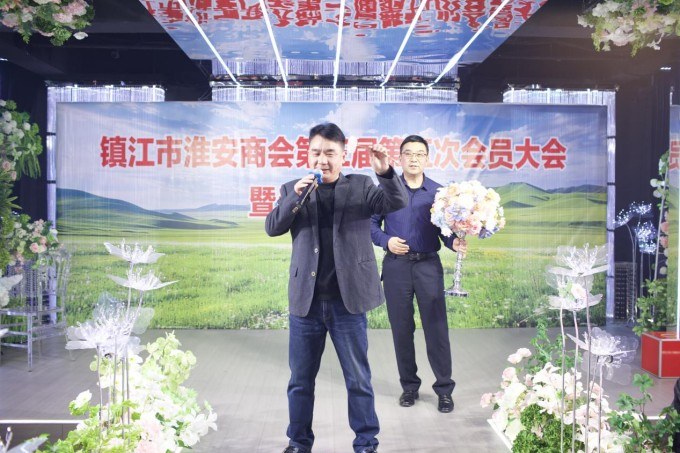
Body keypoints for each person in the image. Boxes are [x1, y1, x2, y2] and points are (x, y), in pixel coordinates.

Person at [265, 122, 408, 453]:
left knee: (358, 380)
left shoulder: (360, 186)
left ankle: (366, 444)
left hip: (348, 302)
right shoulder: (292, 189)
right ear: (308, 154)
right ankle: (298, 443)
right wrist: (296, 196)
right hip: (306, 304)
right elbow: (273, 226)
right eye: (316, 152)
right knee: (300, 382)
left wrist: (385, 172)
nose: (323, 160)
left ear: (343, 155)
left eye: (330, 153)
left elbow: (396, 201)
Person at [370, 134, 466, 413]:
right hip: (396, 267)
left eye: (419, 154)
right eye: (408, 154)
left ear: (427, 158)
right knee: (402, 329)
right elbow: (371, 225)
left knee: (436, 329)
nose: (414, 159)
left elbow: (444, 230)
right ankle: (409, 387)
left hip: (428, 266)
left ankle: (444, 389)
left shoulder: (439, 193)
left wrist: (453, 242)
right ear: (399, 158)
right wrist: (386, 240)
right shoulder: (386, 190)